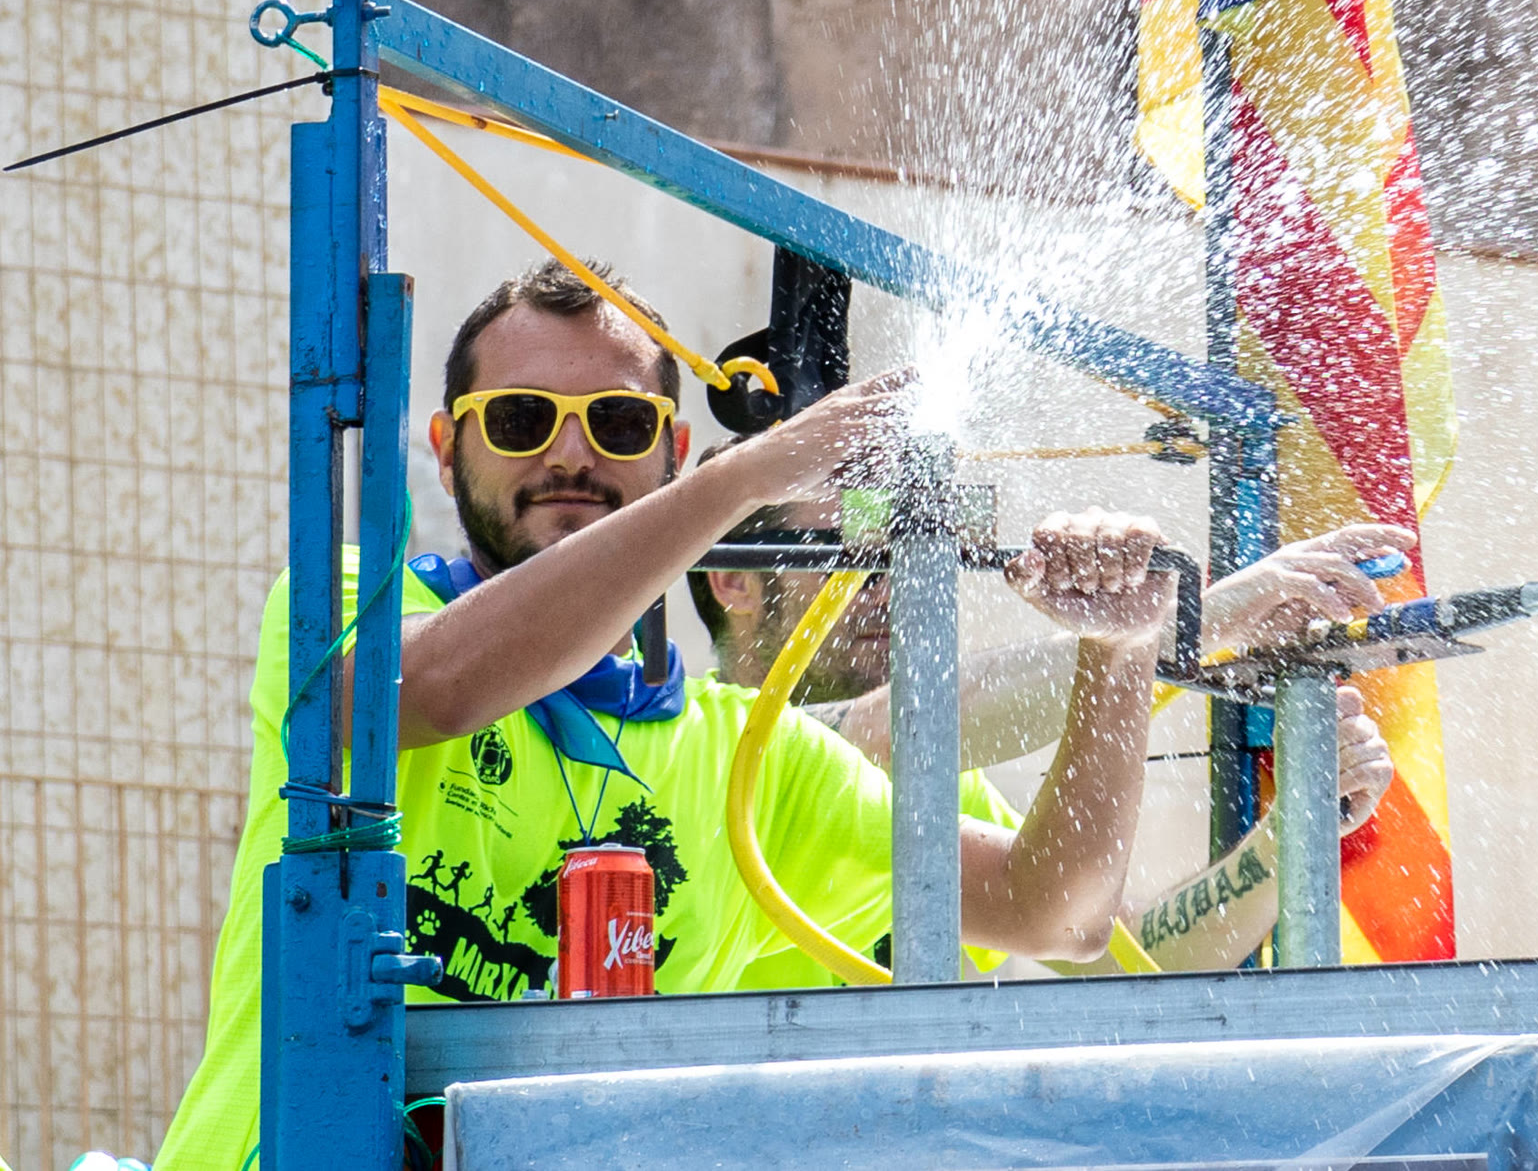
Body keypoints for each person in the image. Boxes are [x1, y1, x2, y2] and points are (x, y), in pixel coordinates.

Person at [156, 260, 1173, 1169]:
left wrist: (1121, 653)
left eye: (618, 424)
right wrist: (751, 475)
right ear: (446, 448)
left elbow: (1060, 914)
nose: (569, 455)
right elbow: (429, 692)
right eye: (519, 419)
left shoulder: (750, 759)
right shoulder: (345, 608)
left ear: (671, 450)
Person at [693, 490, 1413, 977]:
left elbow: (1127, 957)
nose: (885, 585)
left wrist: (1286, 841)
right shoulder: (706, 741)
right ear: (734, 580)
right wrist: (1197, 619)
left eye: (890, 558)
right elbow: (906, 723)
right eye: (846, 556)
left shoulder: (939, 783)